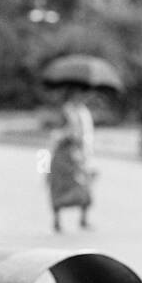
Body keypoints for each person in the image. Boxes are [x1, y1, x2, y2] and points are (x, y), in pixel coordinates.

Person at [48, 88, 95, 232]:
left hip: (78, 154)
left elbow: (86, 135)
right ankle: (57, 221)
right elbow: (56, 134)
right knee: (59, 187)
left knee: (84, 186)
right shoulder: (65, 110)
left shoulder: (83, 112)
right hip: (63, 155)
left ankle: (83, 219)